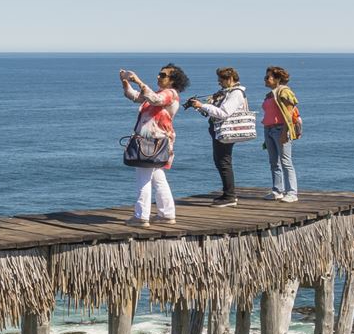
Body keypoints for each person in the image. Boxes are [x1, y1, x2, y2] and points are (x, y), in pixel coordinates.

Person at [119, 64, 190, 226]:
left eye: (163, 75)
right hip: (155, 143)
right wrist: (125, 82)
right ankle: (167, 214)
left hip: (152, 142)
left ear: (173, 80)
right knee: (158, 179)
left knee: (143, 178)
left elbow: (155, 100)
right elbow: (136, 96)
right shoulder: (158, 93)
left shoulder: (170, 94)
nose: (158, 77)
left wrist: (138, 81)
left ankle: (141, 216)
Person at [184, 67, 247, 207]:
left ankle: (230, 196)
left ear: (230, 79)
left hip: (226, 132)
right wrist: (200, 107)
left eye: (221, 79)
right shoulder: (227, 92)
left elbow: (224, 113)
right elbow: (215, 112)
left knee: (223, 162)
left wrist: (203, 105)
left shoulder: (235, 93)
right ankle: (228, 193)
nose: (219, 82)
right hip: (219, 131)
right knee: (220, 161)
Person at [261, 66, 301, 202]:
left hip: (280, 129)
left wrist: (285, 132)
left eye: (268, 77)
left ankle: (292, 192)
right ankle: (277, 190)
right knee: (274, 162)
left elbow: (289, 114)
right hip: (269, 129)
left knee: (285, 161)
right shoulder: (271, 94)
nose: (265, 80)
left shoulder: (284, 92)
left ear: (277, 79)